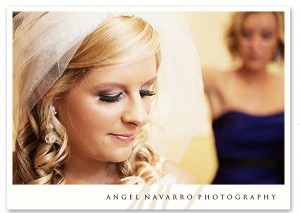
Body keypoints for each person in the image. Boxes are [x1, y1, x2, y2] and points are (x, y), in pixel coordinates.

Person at [13, 11, 208, 184]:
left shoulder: (175, 187)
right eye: (112, 96)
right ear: (49, 91)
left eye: (145, 92)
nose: (140, 117)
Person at [202, 12, 285, 184]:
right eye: (246, 34)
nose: (255, 45)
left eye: (266, 35)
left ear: (278, 39)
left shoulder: (290, 87)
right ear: (235, 38)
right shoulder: (215, 81)